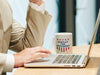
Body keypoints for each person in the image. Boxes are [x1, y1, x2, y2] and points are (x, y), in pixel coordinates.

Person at [0, 0, 52, 75]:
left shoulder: (3, 6)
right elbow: (19, 58)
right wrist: (14, 59)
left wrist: (36, 2)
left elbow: (29, 47)